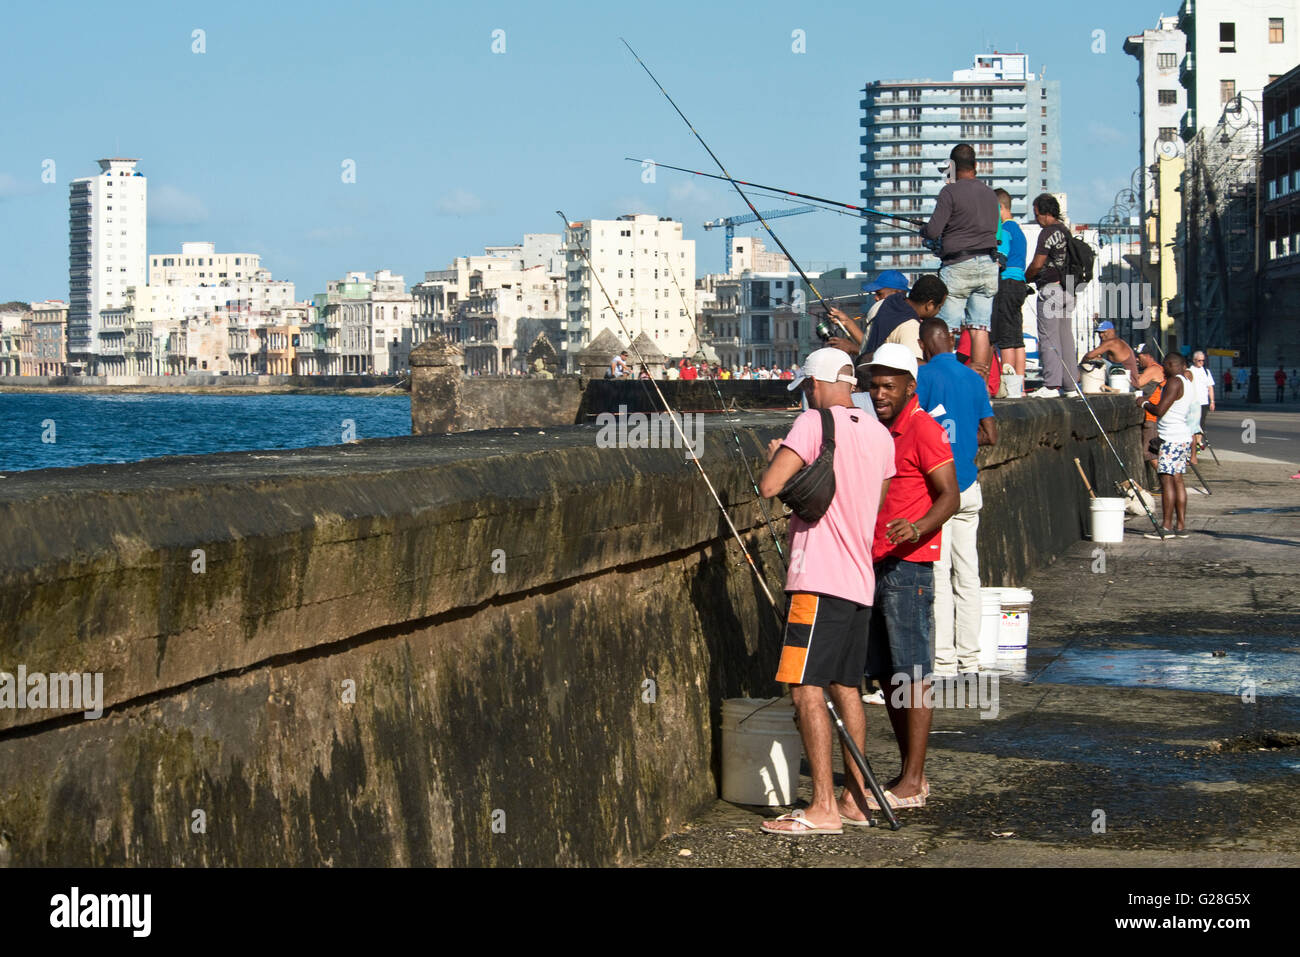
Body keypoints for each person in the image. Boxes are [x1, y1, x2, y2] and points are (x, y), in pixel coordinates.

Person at [756, 348, 896, 835]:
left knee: (804, 689)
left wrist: (779, 455)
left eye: (806, 390)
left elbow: (770, 486)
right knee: (846, 687)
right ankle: (856, 799)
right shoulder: (880, 435)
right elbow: (873, 503)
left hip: (816, 580)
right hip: (859, 582)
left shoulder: (813, 425)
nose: (806, 398)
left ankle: (821, 808)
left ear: (815, 385)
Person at [859, 343, 959, 810]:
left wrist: (917, 527)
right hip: (874, 562)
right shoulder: (879, 430)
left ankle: (915, 780)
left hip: (909, 566)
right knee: (886, 675)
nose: (878, 393)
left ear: (909, 388)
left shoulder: (924, 430)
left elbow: (950, 497)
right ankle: (906, 772)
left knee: (912, 674)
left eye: (887, 386)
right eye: (873, 384)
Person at [916, 318, 997, 676]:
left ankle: (944, 661)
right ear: (950, 341)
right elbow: (991, 435)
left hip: (937, 492)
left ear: (923, 345)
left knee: (938, 576)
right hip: (968, 486)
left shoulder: (921, 380)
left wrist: (940, 442)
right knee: (968, 576)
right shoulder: (973, 378)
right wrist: (961, 438)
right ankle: (971, 658)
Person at [922, 143, 1000, 383]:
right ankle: (981, 386)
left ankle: (945, 381)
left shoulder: (950, 192)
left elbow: (934, 230)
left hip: (958, 265)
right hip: (987, 264)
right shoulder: (990, 193)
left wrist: (924, 230)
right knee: (980, 328)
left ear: (952, 167)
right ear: (976, 166)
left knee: (947, 329)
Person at [1024, 194, 1075, 398]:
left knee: (1048, 337)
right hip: (1068, 289)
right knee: (1066, 337)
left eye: (1037, 214)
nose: (1036, 219)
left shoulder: (1048, 233)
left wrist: (1025, 278)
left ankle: (1052, 385)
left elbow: (1037, 263)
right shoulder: (1066, 231)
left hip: (1051, 289)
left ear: (1045, 213)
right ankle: (1071, 386)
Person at [830, 275, 948, 363]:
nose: (939, 311)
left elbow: (867, 347)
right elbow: (914, 365)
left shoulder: (880, 306)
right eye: (940, 307)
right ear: (930, 305)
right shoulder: (911, 326)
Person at [1142, 352, 1194, 538]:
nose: (1163, 369)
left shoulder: (1174, 382)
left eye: (1166, 366)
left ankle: (1166, 527)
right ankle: (1180, 527)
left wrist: (1144, 403)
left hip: (1171, 438)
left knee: (1166, 481)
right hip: (1182, 437)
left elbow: (1159, 410)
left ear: (1176, 365)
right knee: (1177, 480)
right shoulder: (1187, 383)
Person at [822, 270, 910, 356]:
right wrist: (847, 321)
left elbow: (892, 360)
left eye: (880, 294)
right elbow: (868, 345)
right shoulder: (885, 317)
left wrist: (853, 348)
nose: (875, 298)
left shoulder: (907, 321)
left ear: (898, 293)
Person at [991, 188, 1028, 379]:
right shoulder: (1019, 231)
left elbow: (1000, 258)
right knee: (1017, 336)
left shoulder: (1004, 230)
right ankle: (1020, 383)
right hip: (1020, 283)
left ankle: (1008, 381)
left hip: (1006, 283)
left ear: (999, 207)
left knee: (1005, 336)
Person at [1136, 350, 1165, 491]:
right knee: (1154, 450)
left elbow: (1138, 383)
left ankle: (1165, 483)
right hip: (1154, 415)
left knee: (1149, 451)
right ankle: (1165, 482)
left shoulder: (1153, 369)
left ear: (1148, 356)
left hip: (1150, 415)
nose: (1137, 359)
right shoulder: (1158, 369)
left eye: (1139, 356)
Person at [1080, 321, 1138, 387]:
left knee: (1096, 361)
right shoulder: (1116, 341)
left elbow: (1088, 356)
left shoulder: (1112, 342)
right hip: (1122, 380)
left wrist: (1080, 367)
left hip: (1127, 383)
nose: (1101, 335)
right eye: (1099, 333)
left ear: (1112, 331)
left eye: (1103, 332)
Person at [1187, 350, 1216, 457]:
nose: (1201, 363)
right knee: (1193, 423)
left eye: (1203, 361)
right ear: (1194, 360)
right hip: (1193, 401)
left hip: (1204, 401)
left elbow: (1210, 387)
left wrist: (1212, 401)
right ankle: (1193, 443)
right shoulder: (1189, 371)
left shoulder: (1206, 371)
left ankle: (1198, 442)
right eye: (1199, 361)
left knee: (1201, 423)